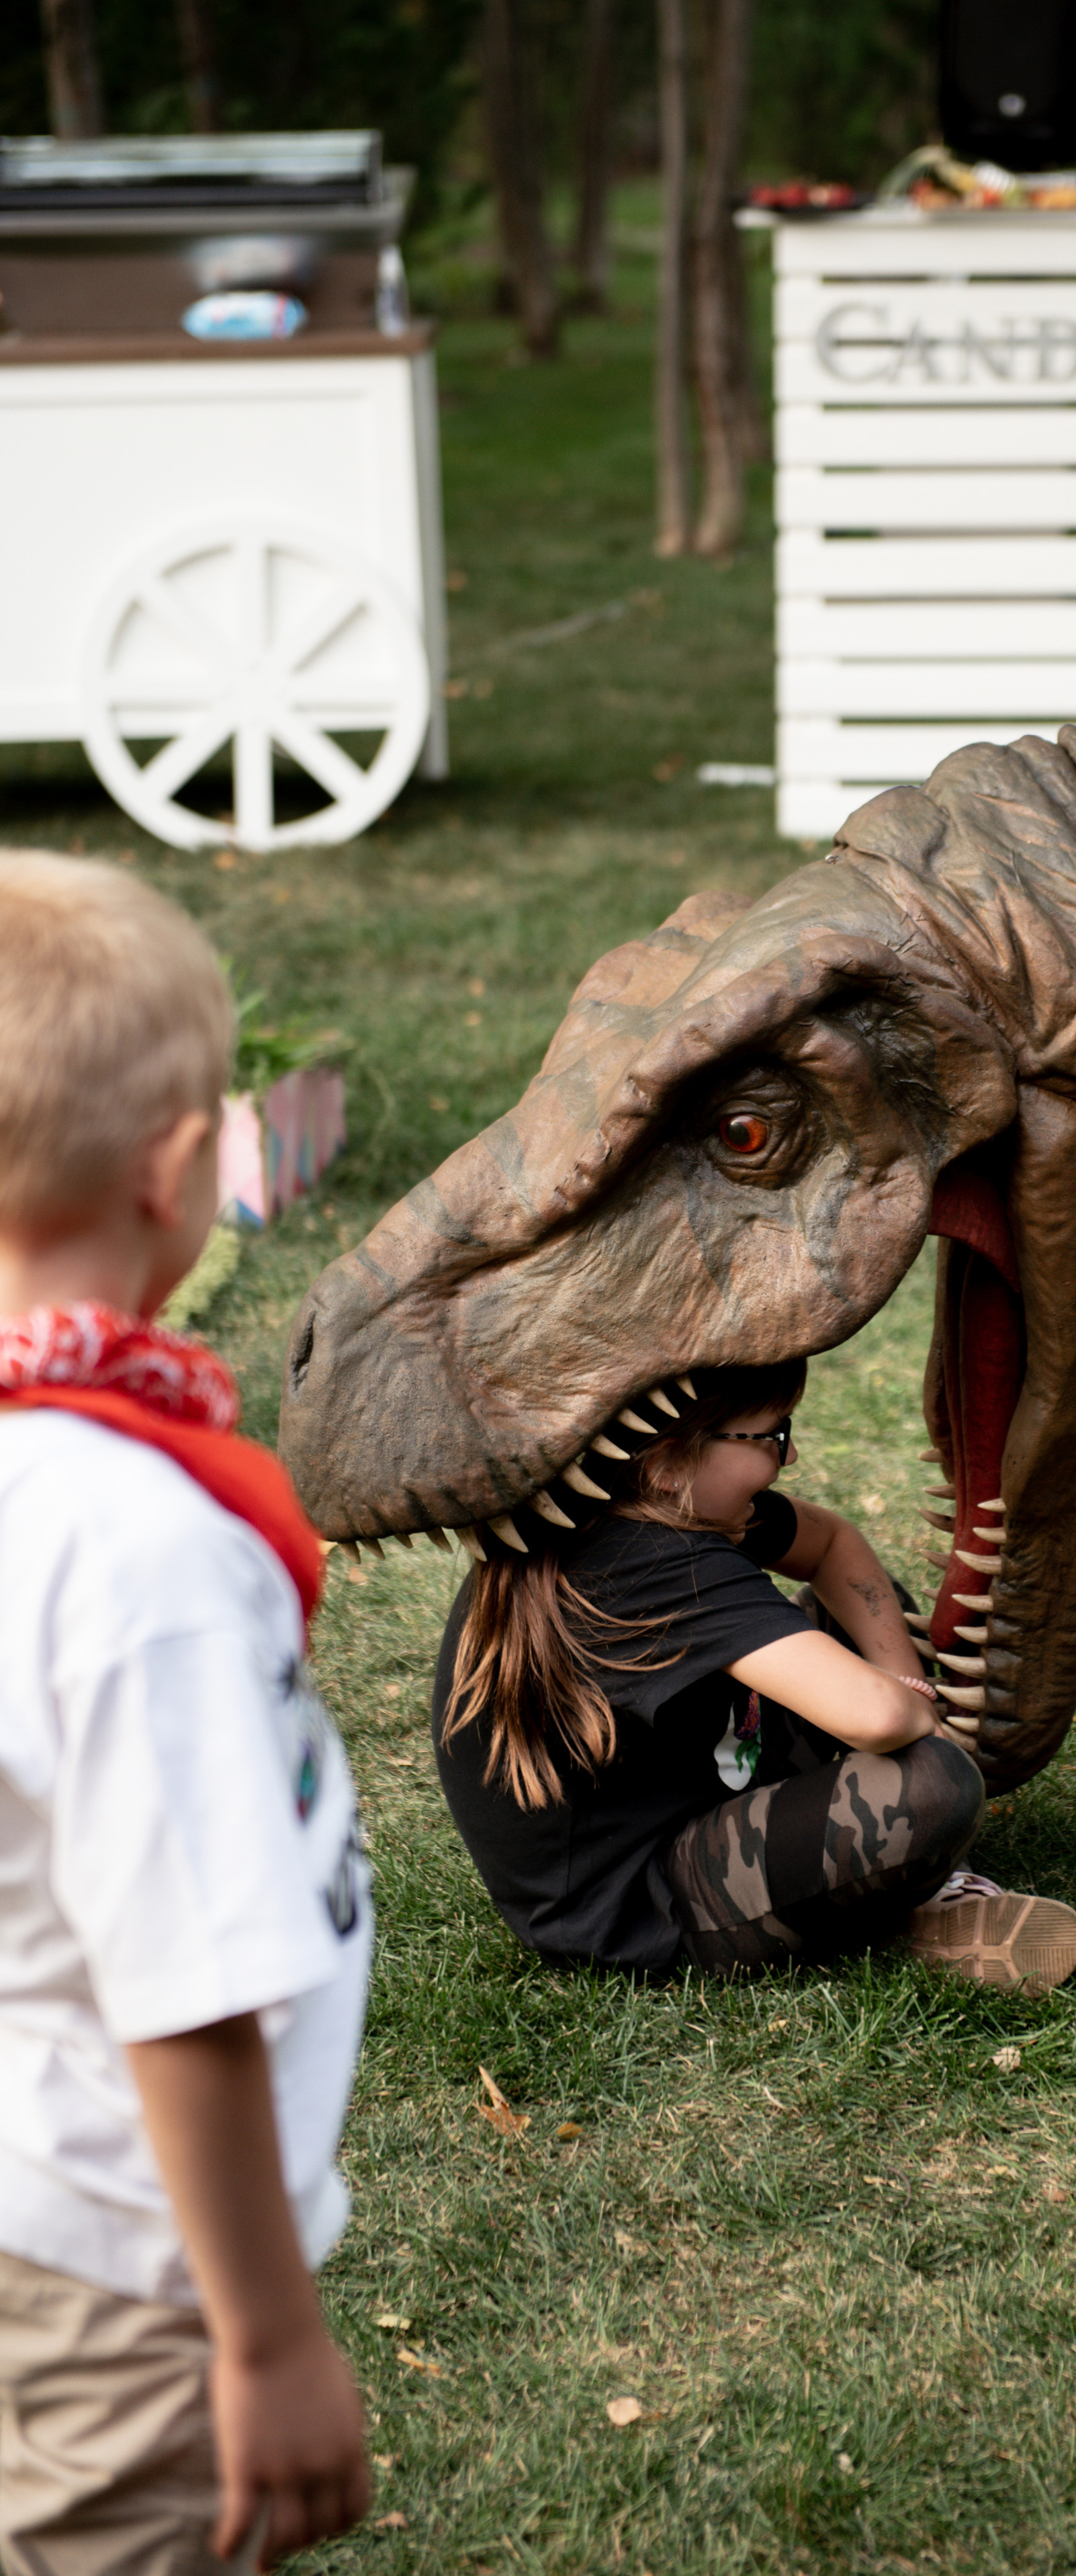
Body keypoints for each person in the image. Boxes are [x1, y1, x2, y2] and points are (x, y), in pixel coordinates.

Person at [0, 855, 372, 2575]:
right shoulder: (127, 1544)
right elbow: (187, 1990)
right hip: (134, 2275)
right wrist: (267, 2334)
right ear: (175, 1177)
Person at [433, 1363, 1076, 1989]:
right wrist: (918, 1724)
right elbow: (880, 1719)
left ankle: (892, 1879)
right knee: (934, 1787)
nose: (791, 1455)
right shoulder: (648, 1561)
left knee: (862, 1608)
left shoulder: (633, 1503)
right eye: (772, 1435)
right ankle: (913, 1903)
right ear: (665, 1462)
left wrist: (906, 1691)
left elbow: (834, 1546)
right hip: (641, 1900)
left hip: (694, 1781)